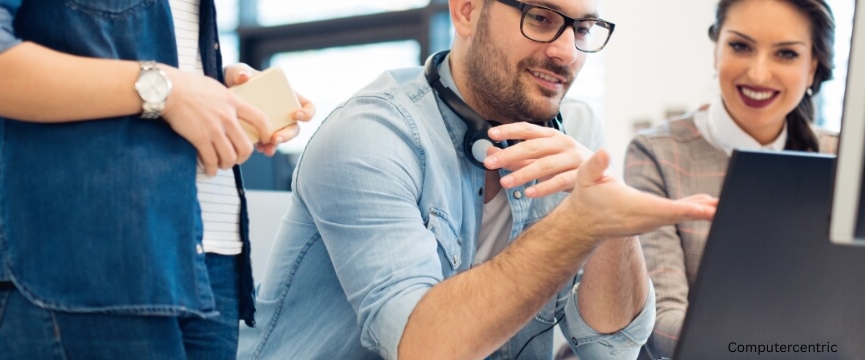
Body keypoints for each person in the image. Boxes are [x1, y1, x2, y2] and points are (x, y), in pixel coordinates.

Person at [241, 0, 717, 359]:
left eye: (584, 28)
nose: (567, 53)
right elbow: (420, 345)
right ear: (467, 11)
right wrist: (578, 225)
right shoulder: (370, 135)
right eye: (542, 18)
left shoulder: (576, 129)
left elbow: (610, 346)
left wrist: (611, 221)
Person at [0, 0, 314, 358]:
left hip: (210, 266)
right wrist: (168, 90)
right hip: (89, 262)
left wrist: (210, 89)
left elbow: (116, 47)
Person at [622, 0, 837, 358]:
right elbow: (662, 324)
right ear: (716, 49)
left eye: (785, 54)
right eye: (741, 46)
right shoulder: (657, 154)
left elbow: (859, 317)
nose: (758, 74)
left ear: (813, 67)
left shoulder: (841, 156)